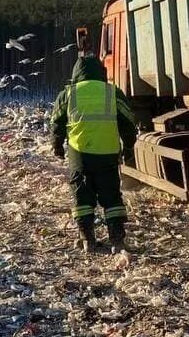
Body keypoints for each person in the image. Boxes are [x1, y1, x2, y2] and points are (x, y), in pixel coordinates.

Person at [50, 53, 138, 251]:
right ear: (101, 71)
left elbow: (56, 122)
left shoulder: (68, 93)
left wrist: (57, 146)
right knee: (112, 197)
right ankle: (117, 240)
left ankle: (87, 239)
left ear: (76, 73)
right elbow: (128, 121)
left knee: (82, 197)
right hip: (107, 153)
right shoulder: (111, 92)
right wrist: (129, 146)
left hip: (80, 154)